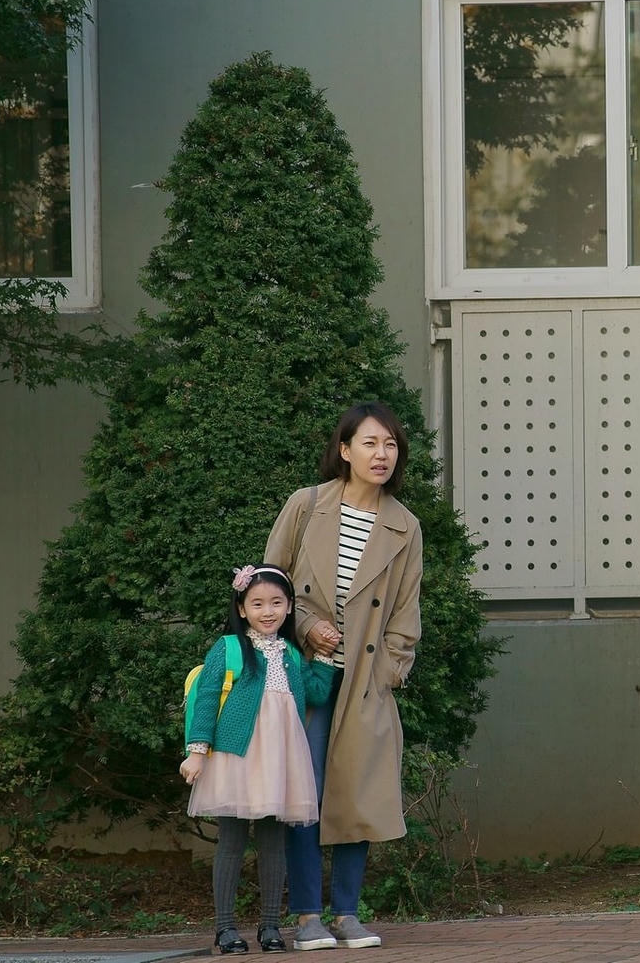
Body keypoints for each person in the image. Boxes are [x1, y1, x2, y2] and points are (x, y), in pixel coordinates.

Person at [264, 402, 424, 951]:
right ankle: (308, 915)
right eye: (371, 443)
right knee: (304, 791)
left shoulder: (405, 526)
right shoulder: (306, 505)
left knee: (359, 790)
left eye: (391, 445)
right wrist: (306, 626)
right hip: (306, 675)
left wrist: (391, 670)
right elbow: (270, 586)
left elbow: (405, 610)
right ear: (345, 450)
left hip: (366, 678)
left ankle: (348, 912)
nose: (382, 455)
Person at [181, 564, 335, 954]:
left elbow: (316, 694)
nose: (268, 611)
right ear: (242, 608)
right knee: (232, 841)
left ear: (289, 607)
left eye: (277, 603)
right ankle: (225, 929)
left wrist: (322, 657)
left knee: (273, 843)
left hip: (280, 760)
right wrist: (197, 752)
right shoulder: (229, 648)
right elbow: (206, 700)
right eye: (258, 604)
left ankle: (270, 927)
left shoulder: (291, 654)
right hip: (236, 755)